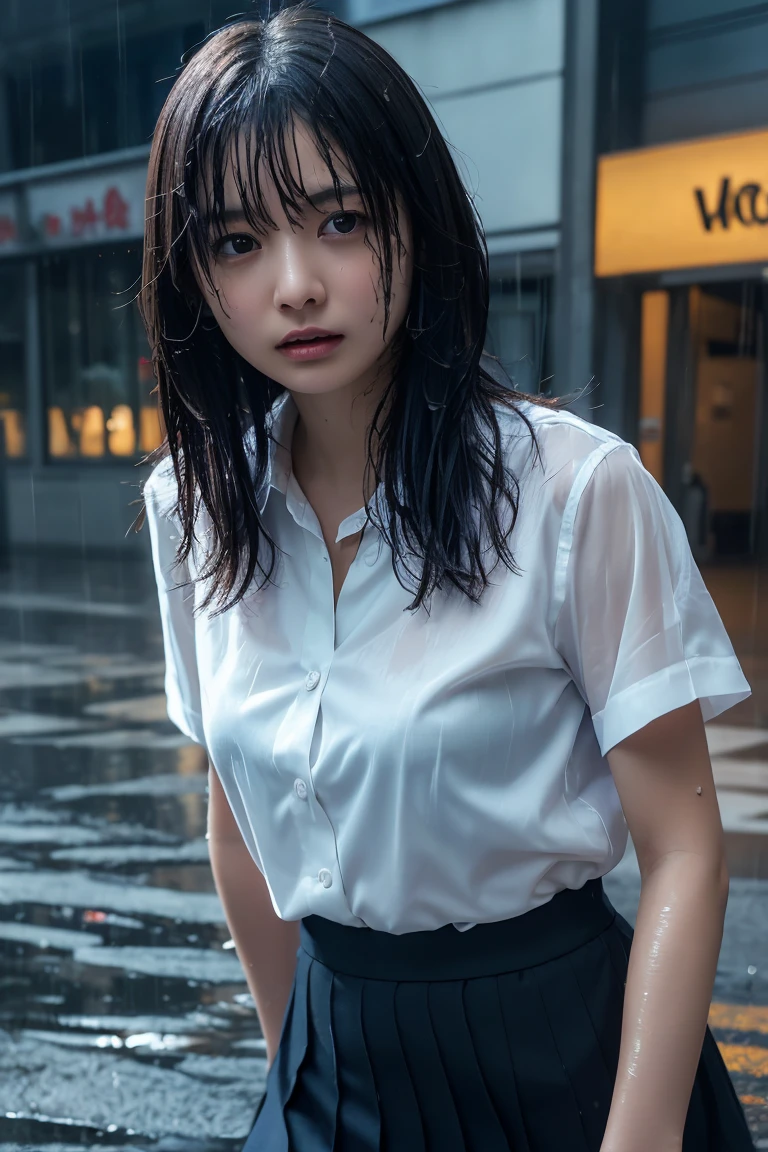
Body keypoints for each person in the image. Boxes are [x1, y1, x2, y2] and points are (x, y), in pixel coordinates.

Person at [136, 5, 755, 1150]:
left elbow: (684, 848)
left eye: (340, 221)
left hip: (562, 1058)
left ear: (415, 224)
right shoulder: (191, 512)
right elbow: (238, 828)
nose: (296, 285)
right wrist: (296, 1071)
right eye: (236, 242)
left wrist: (641, 1140)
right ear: (193, 274)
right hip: (331, 1054)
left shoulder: (575, 493)